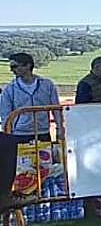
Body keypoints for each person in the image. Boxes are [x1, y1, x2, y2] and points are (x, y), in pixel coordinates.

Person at [1, 53, 61, 209]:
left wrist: (60, 129)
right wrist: (9, 132)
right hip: (18, 136)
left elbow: (56, 109)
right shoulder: (10, 89)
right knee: (21, 172)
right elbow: (6, 115)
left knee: (44, 170)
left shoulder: (47, 85)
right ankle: (20, 206)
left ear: (27, 65)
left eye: (15, 66)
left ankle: (43, 205)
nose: (11, 70)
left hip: (42, 133)